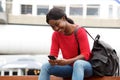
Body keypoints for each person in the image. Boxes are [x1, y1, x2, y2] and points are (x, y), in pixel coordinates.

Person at [38, 7, 93, 80]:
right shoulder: (56, 35)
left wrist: (67, 61)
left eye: (57, 24)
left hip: (85, 67)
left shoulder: (80, 31)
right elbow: (53, 54)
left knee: (78, 64)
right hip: (69, 68)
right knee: (45, 66)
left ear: (63, 18)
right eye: (52, 27)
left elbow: (86, 54)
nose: (56, 28)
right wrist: (54, 61)